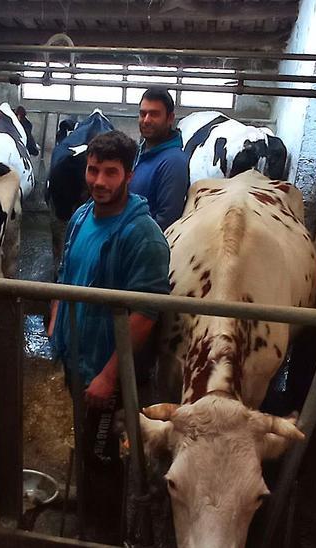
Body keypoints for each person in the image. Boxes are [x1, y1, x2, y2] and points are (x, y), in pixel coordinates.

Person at [46, 130, 171, 543]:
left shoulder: (144, 235)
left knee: (104, 456)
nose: (99, 181)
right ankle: (89, 512)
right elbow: (65, 274)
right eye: (93, 169)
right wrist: (56, 320)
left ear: (129, 175)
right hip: (77, 358)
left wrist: (110, 376)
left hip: (105, 368)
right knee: (87, 443)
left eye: (110, 173)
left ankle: (106, 533)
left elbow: (146, 313)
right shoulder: (82, 215)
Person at [131, 87, 191, 231]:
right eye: (143, 113)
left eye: (154, 114)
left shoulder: (173, 163)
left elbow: (166, 222)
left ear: (170, 118)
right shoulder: (140, 152)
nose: (146, 120)